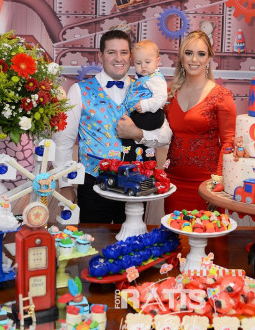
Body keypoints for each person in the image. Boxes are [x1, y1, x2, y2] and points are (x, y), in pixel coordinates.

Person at [53, 30, 172, 223]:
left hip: (136, 181)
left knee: (133, 237)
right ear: (101, 56)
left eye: (124, 52)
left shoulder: (145, 88)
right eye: (111, 52)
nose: (118, 58)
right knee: (94, 237)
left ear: (130, 56)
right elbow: (63, 142)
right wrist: (65, 185)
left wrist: (137, 133)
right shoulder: (79, 90)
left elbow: (165, 136)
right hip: (94, 182)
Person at [163, 30, 236, 213]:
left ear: (209, 58)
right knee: (173, 230)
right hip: (174, 183)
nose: (194, 59)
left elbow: (228, 143)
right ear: (181, 57)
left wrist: (218, 182)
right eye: (189, 53)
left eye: (201, 54)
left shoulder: (222, 95)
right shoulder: (169, 93)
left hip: (208, 184)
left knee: (208, 231)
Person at [122, 40, 168, 162]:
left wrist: (145, 105)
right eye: (138, 63)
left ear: (157, 61)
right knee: (136, 140)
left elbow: (161, 97)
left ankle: (132, 160)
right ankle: (143, 159)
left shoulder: (155, 79)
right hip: (143, 113)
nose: (143, 66)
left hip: (151, 114)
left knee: (128, 133)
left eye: (147, 62)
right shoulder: (143, 79)